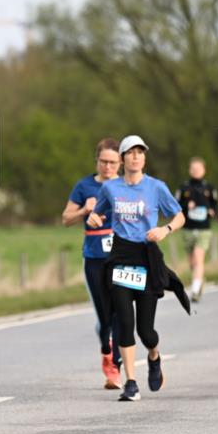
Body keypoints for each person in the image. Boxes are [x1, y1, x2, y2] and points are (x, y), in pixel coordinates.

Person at [87, 135, 188, 402]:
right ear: (122, 159)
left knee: (146, 332)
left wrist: (165, 229)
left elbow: (179, 215)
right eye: (130, 152)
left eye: (140, 152)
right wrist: (94, 218)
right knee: (124, 322)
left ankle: (154, 356)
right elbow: (98, 213)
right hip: (120, 256)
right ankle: (131, 383)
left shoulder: (156, 187)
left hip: (146, 257)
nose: (135, 157)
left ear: (144, 158)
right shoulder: (110, 188)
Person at [62, 137, 123, 389]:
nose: (108, 167)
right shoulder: (84, 186)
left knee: (121, 313)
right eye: (103, 162)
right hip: (95, 258)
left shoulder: (126, 185)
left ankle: (115, 367)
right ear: (96, 161)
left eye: (113, 162)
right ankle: (107, 349)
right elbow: (66, 219)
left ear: (120, 163)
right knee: (105, 318)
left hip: (122, 257)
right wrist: (84, 211)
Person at [174, 157, 217, 302]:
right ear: (189, 170)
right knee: (192, 262)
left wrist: (211, 211)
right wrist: (187, 206)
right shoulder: (184, 188)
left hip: (203, 229)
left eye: (198, 169)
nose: (196, 171)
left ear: (204, 170)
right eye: (193, 169)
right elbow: (176, 205)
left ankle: (195, 290)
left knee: (199, 258)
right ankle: (199, 280)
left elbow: (215, 204)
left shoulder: (209, 188)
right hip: (187, 228)